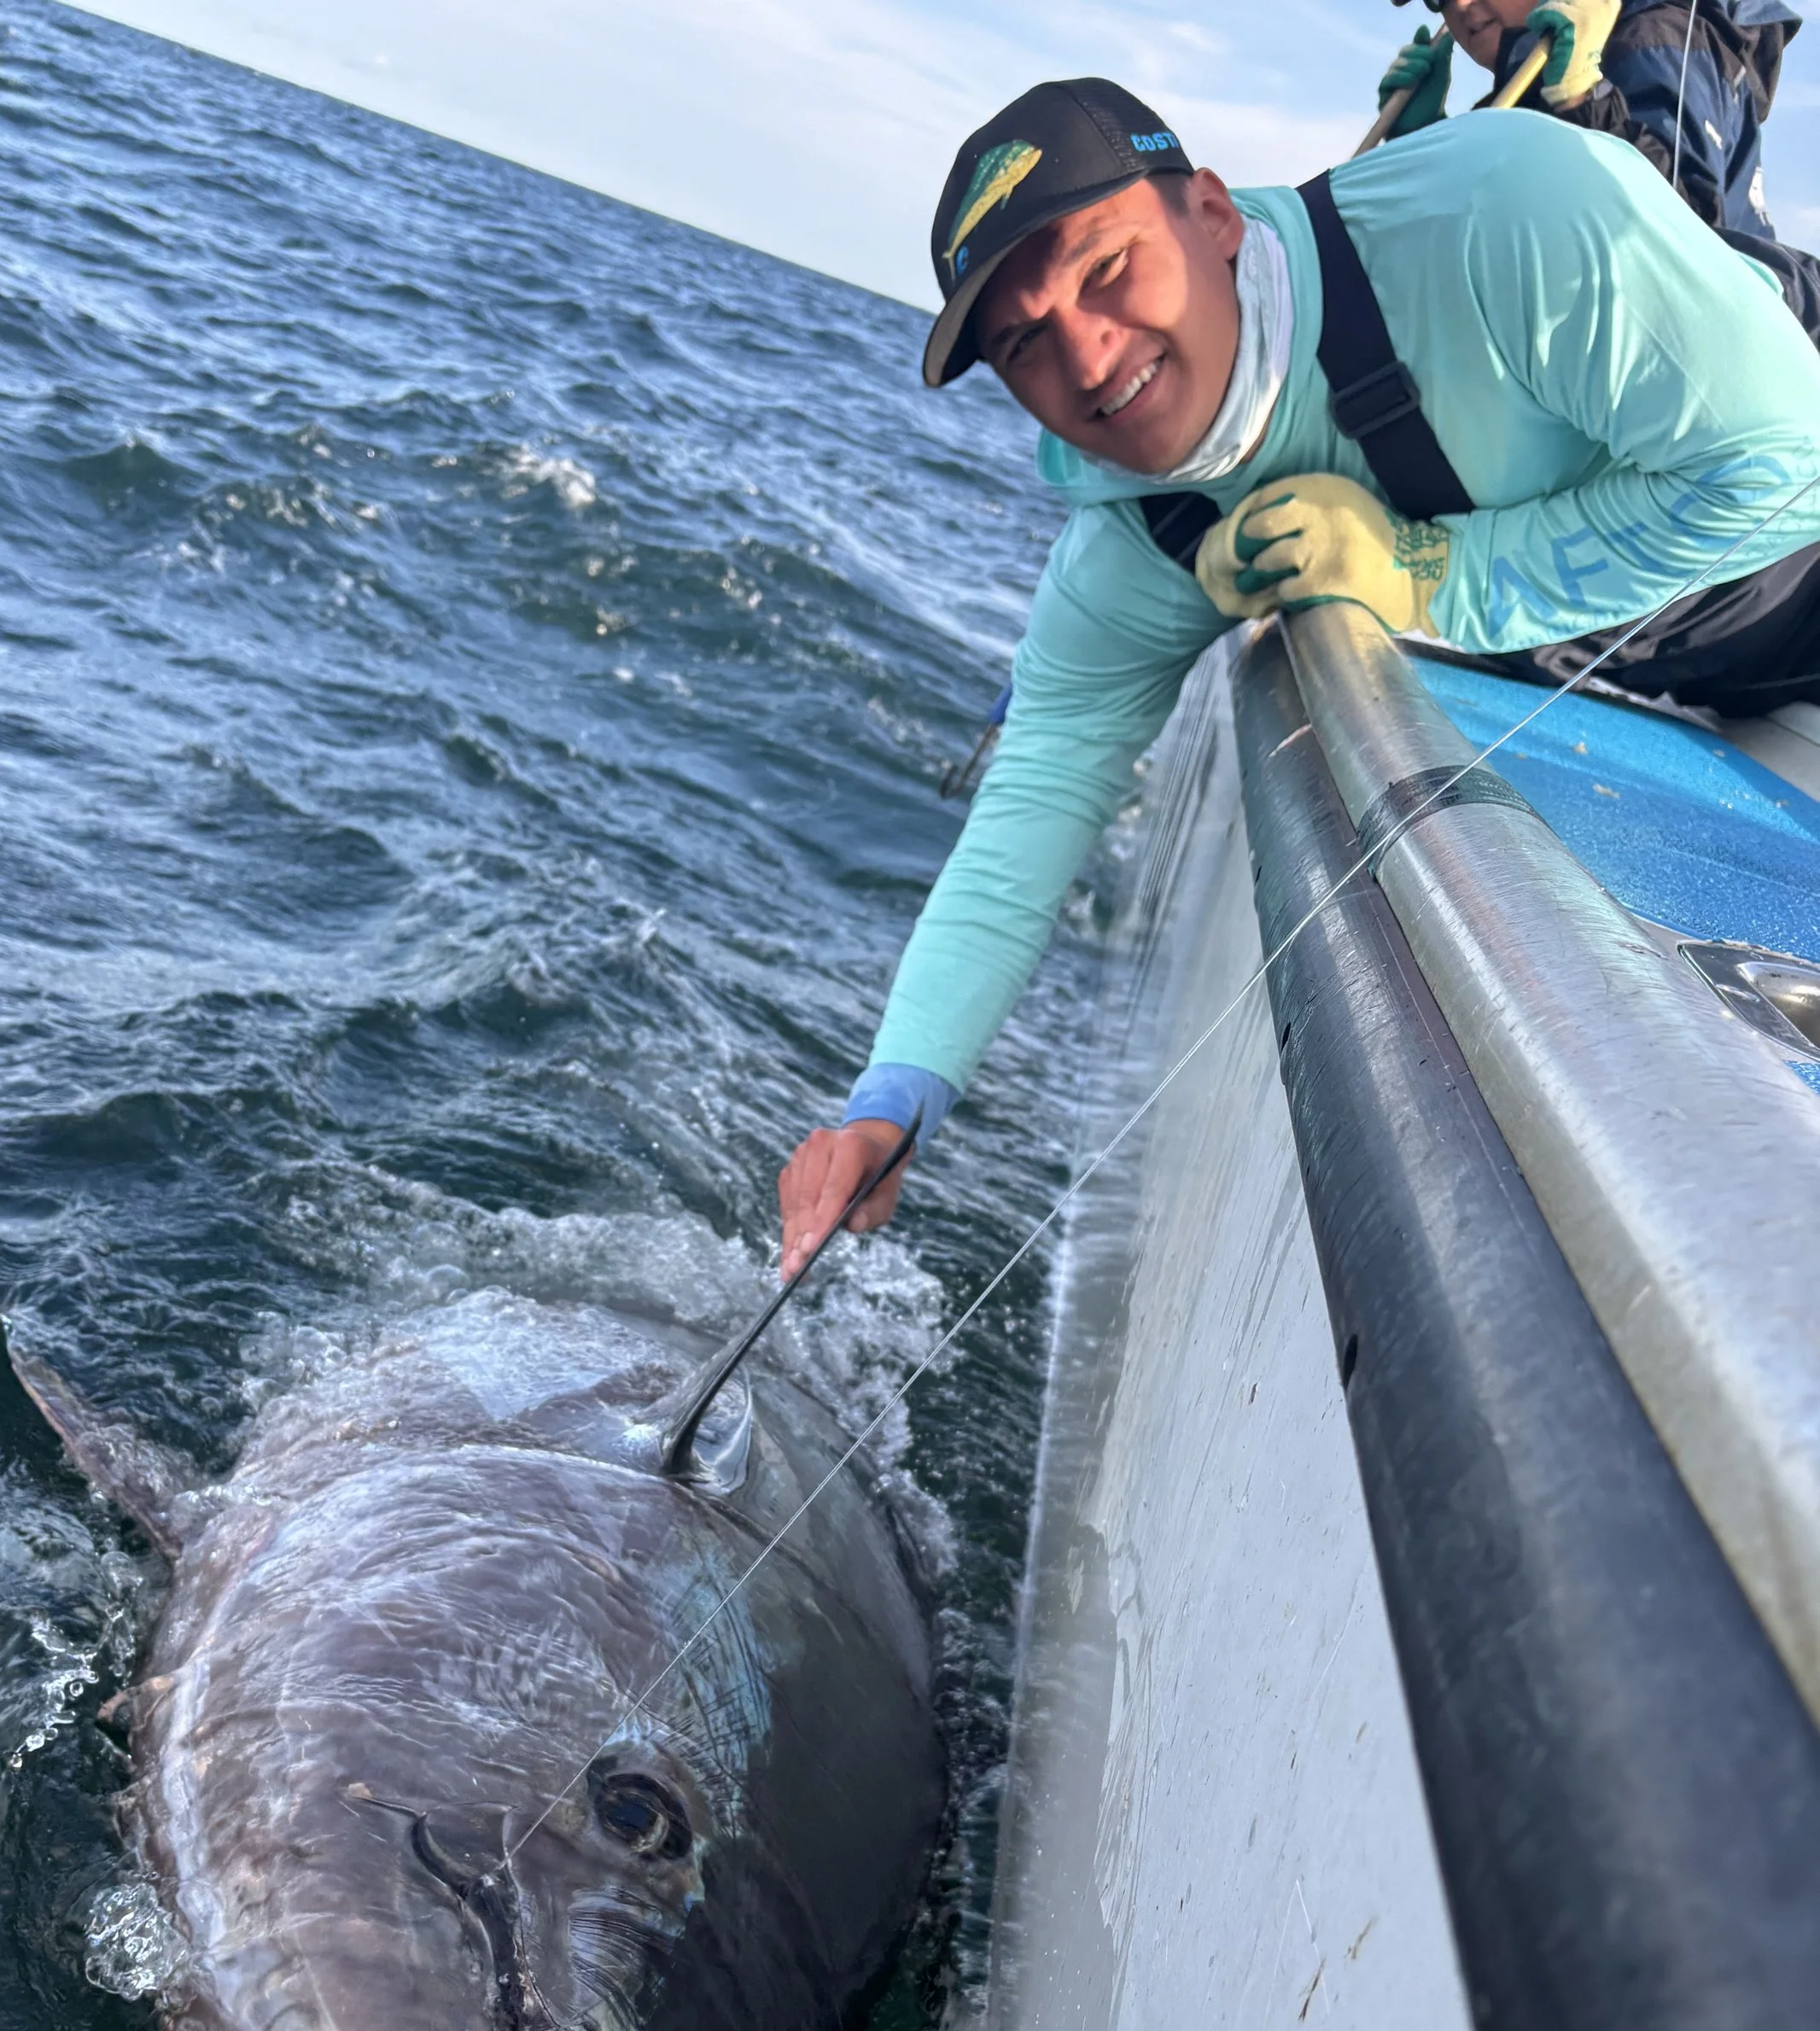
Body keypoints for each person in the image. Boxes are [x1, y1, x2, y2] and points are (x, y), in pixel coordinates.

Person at [775, 78, 1820, 1270]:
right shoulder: (1140, 536)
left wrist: (1424, 572)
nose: (1086, 350)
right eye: (1022, 341)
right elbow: (1037, 799)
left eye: (1105, 267)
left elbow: (1791, 455)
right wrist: (891, 1099)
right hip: (1701, 674)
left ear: (1213, 214)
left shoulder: (1504, 212)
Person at [1376, 0, 1798, 239]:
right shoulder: (1523, 99)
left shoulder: (1653, 39)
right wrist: (1419, 143)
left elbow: (1685, 229)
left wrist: (1581, 98)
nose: (1462, 5)